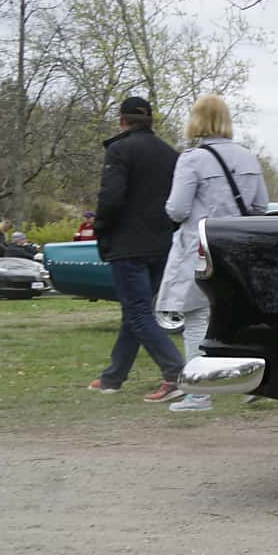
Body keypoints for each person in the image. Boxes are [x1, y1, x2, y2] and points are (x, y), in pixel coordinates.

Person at [159, 93, 266, 412]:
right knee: (238, 318)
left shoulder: (191, 159)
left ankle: (198, 394)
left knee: (196, 318)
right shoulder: (248, 158)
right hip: (238, 248)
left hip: (201, 247)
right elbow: (260, 207)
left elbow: (177, 209)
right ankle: (254, 383)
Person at [89, 96, 185, 399]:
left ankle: (175, 372)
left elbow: (111, 198)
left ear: (122, 120)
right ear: (150, 121)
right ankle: (113, 377)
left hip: (128, 245)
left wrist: (100, 228)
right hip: (161, 245)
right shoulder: (171, 154)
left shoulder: (119, 150)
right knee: (136, 312)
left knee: (138, 312)